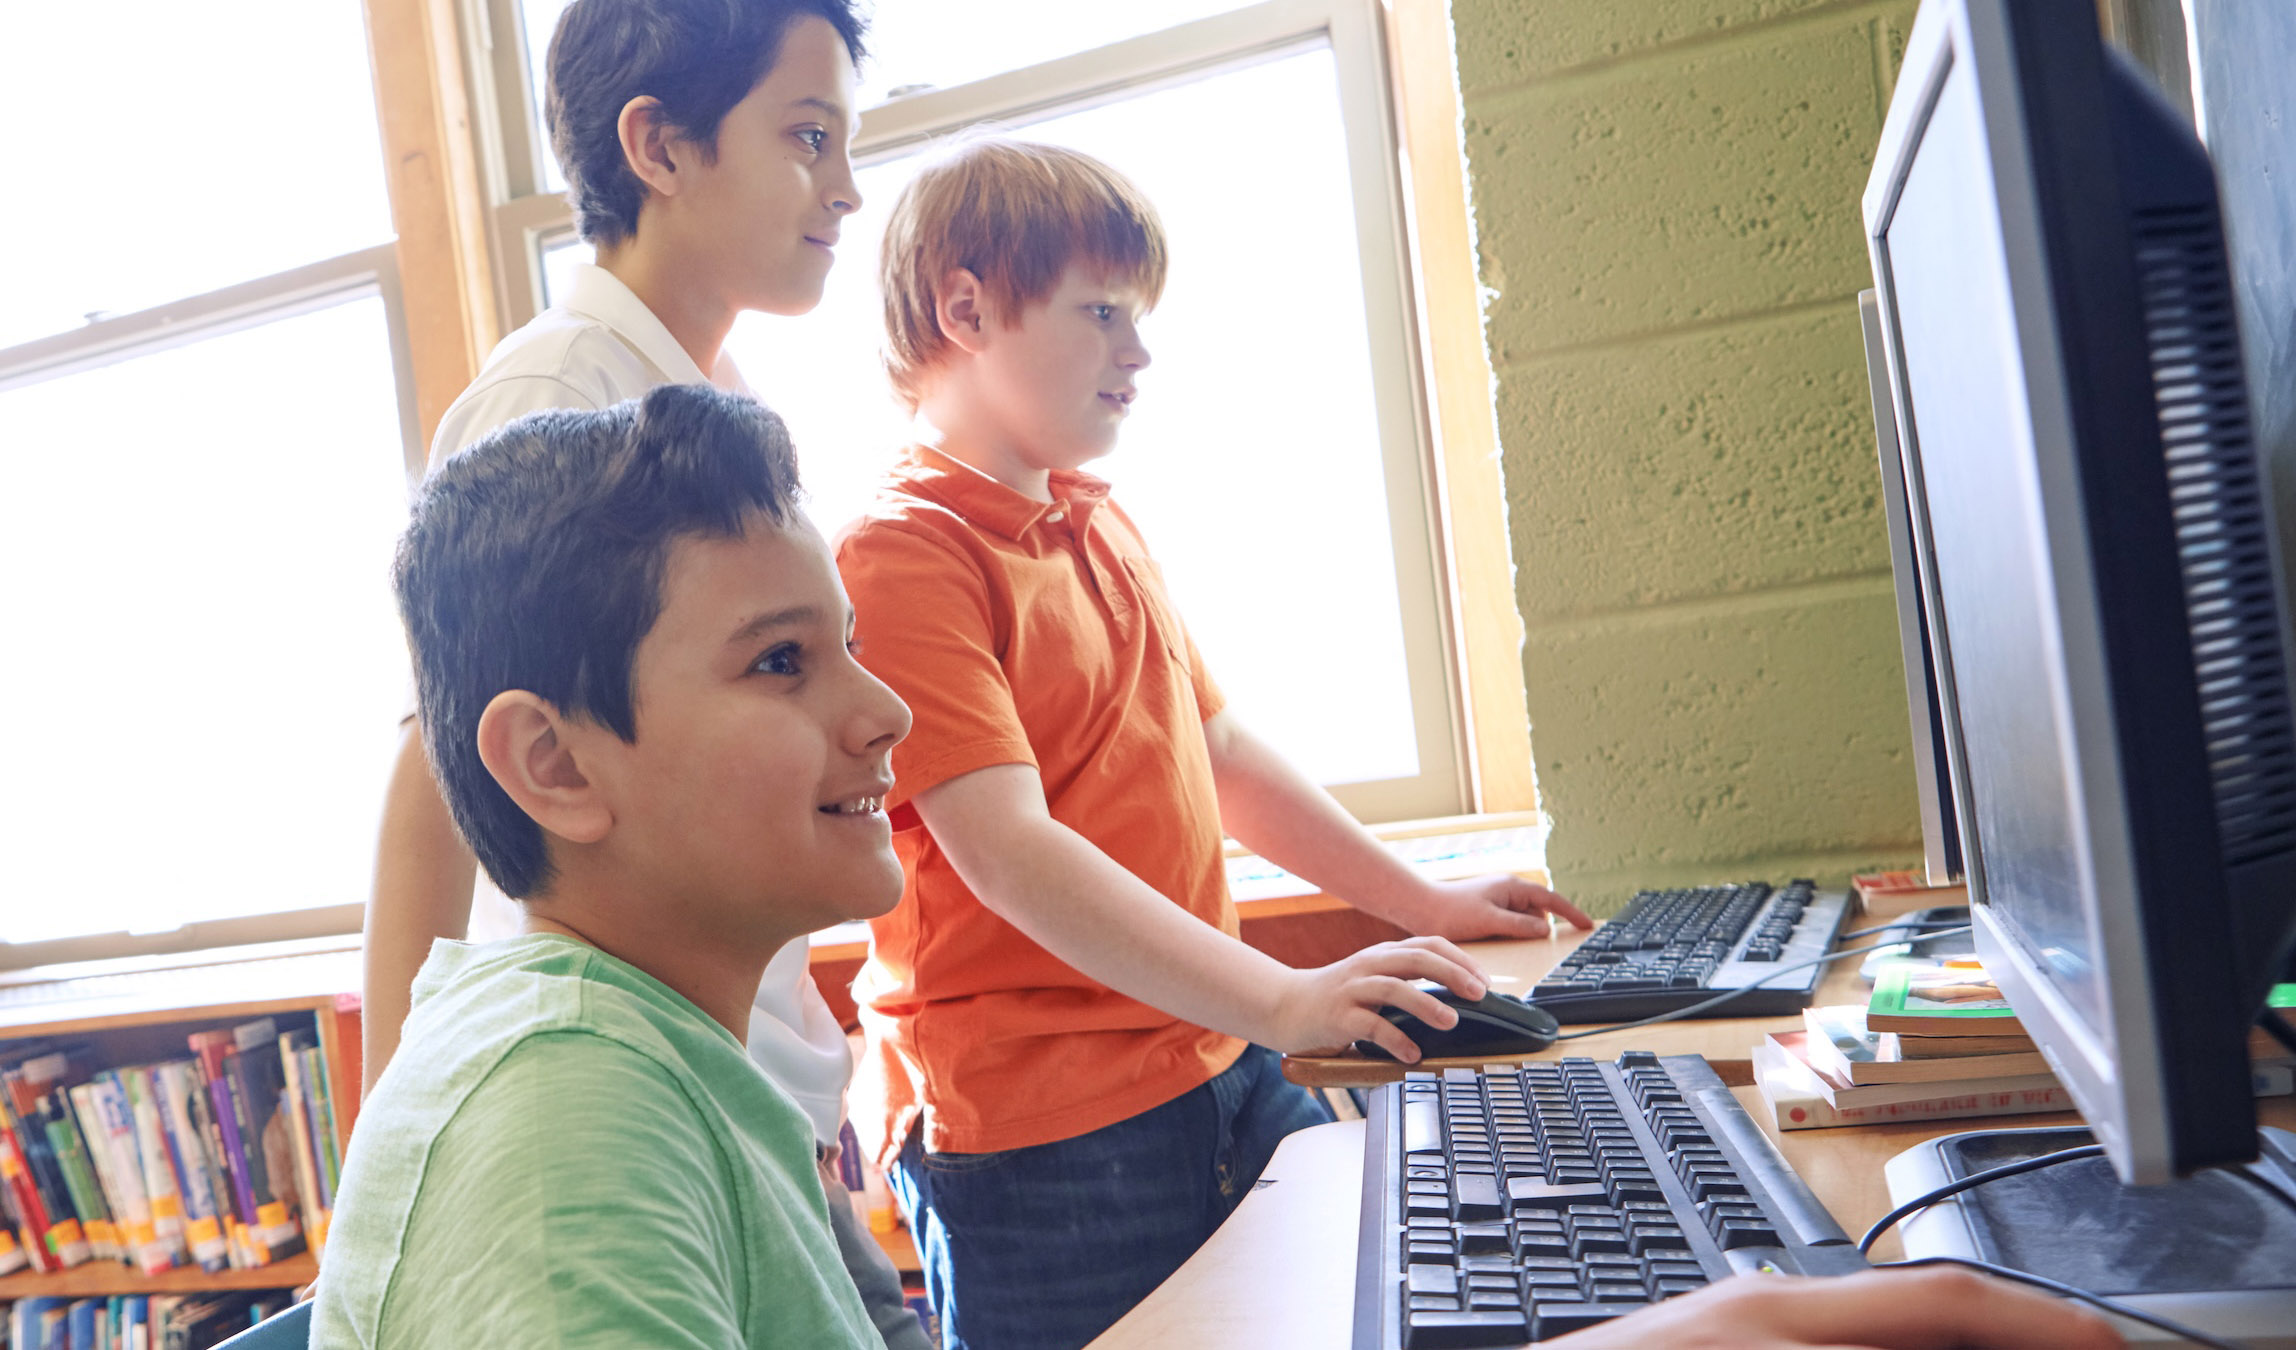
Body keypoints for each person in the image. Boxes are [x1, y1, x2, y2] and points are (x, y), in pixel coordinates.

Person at [311, 384, 2124, 1350]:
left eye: (848, 646)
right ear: (554, 764)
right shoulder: (562, 1132)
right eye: (782, 663)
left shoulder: (633, 1058)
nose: (883, 715)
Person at [829, 137, 1597, 1347]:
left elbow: (1220, 749)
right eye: (1101, 312)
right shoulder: (902, 555)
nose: (1138, 352)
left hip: (1222, 1055)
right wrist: (1288, 999)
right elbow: (1008, 853)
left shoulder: (1098, 519)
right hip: (1049, 1140)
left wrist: (1419, 903)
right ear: (966, 308)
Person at [353, 2, 920, 1342]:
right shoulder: (569, 395)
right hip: (629, 1080)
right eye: (805, 137)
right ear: (658, 145)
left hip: (722, 1078)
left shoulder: (695, 392)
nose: (844, 188)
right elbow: (436, 776)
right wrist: (404, 1136)